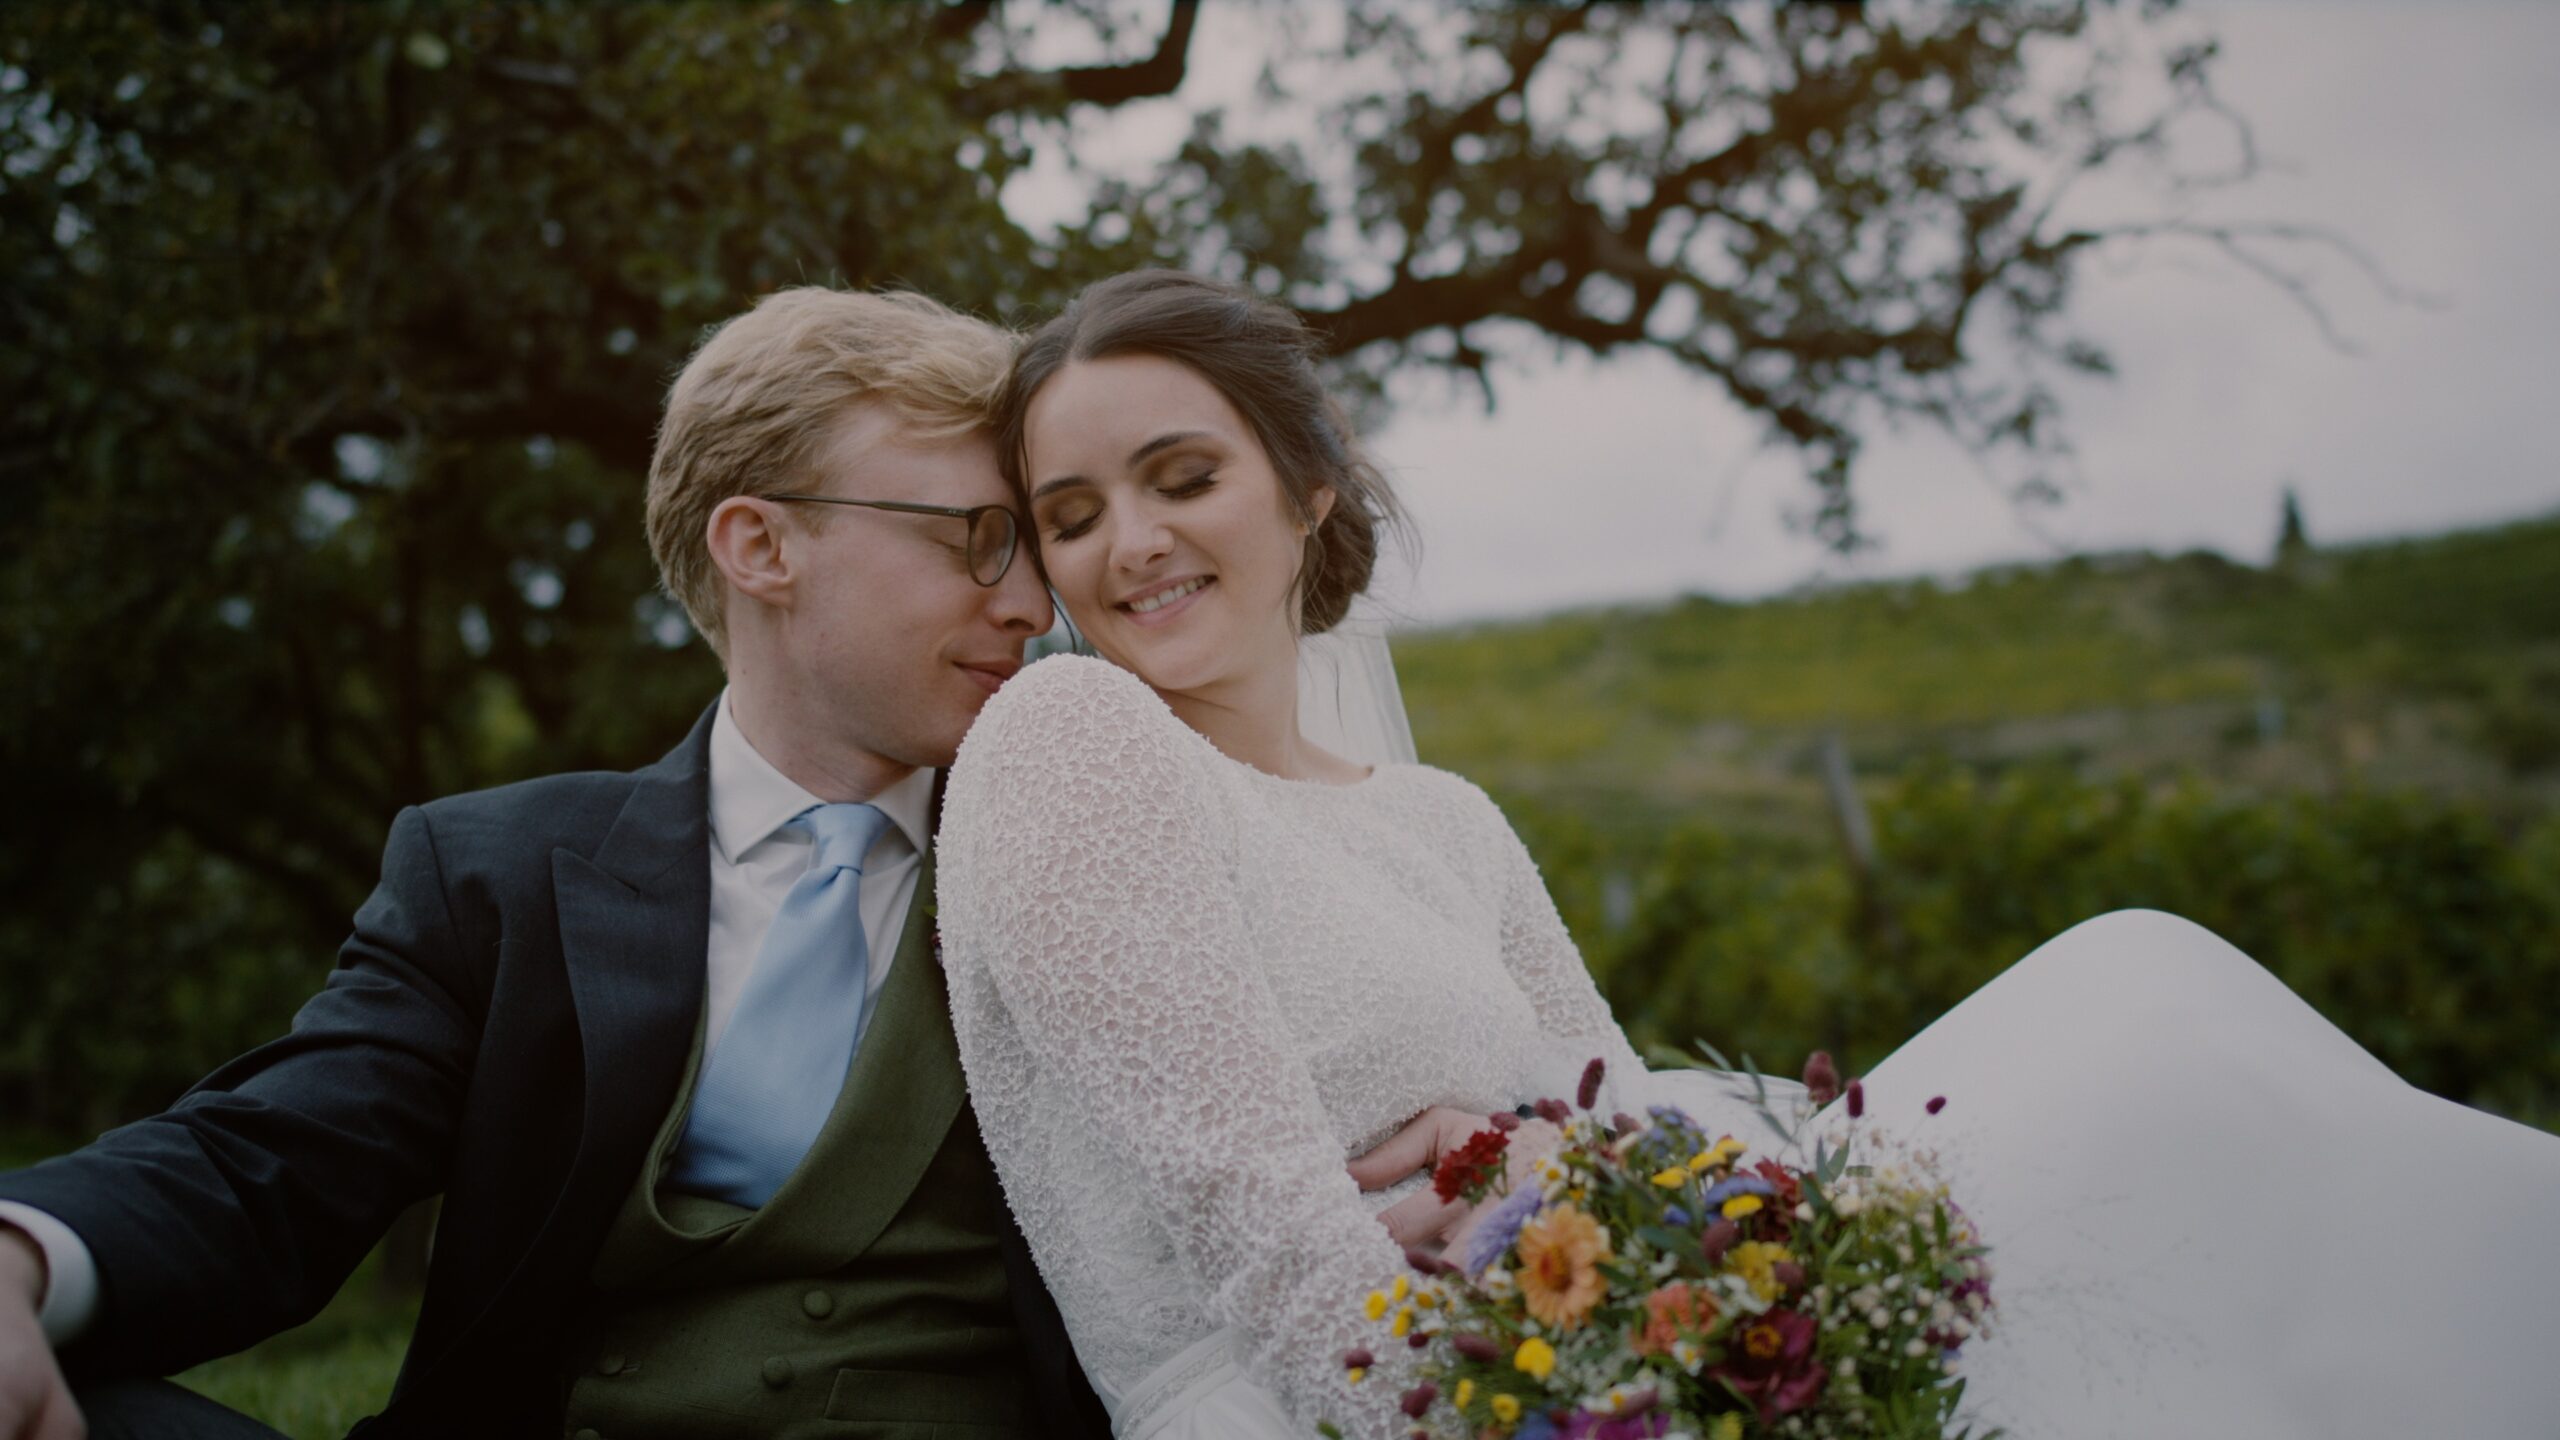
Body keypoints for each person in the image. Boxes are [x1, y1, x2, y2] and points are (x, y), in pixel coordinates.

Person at [931, 269, 2560, 1439]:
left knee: (2175, 1058)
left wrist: (1544, 1184)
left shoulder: (1447, 825)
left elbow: (1654, 1150)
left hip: (1615, 1383)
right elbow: (1262, 1247)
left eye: (1182, 477)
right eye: (1070, 515)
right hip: (1329, 1411)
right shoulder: (1071, 749)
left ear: (1305, 490)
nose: (1128, 544)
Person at [0, 287, 1116, 1440]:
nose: (1031, 603)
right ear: (760, 545)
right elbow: (272, 1162)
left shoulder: (1094, 870)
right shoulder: (493, 872)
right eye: (977, 539)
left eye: (1032, 548)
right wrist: (14, 1262)